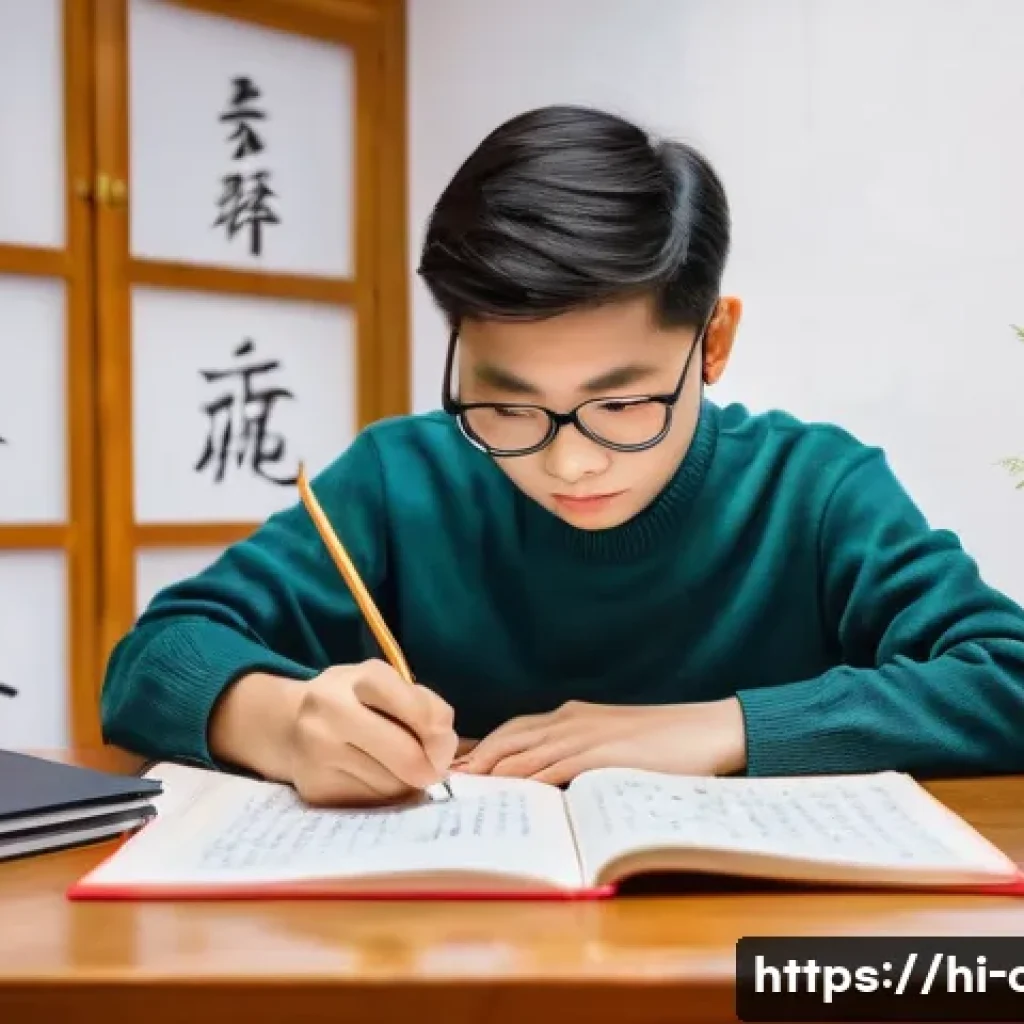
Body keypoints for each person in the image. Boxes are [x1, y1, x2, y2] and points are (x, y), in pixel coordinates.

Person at [100, 104, 1024, 807]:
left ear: (713, 342)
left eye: (621, 404)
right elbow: (152, 660)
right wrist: (287, 722)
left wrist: (723, 729)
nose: (569, 463)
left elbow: (1004, 676)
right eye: (506, 405)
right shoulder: (400, 479)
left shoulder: (815, 490)